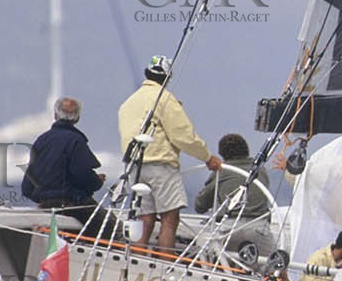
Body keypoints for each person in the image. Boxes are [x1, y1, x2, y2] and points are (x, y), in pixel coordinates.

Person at [117, 55, 222, 253]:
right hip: (160, 166)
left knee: (144, 217)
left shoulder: (129, 102)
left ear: (147, 74)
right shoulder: (165, 100)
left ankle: (139, 260)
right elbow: (183, 136)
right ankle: (165, 264)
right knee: (169, 218)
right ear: (167, 77)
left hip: (134, 167)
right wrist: (208, 157)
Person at [21, 97, 107, 230]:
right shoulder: (76, 141)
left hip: (45, 205)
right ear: (77, 118)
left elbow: (27, 187)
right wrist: (97, 181)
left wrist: (46, 200)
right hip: (72, 204)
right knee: (114, 229)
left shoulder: (41, 141)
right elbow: (82, 176)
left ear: (55, 115)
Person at [195, 133, 276, 263]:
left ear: (222, 154)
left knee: (216, 259)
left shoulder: (221, 171)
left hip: (229, 231)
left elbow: (200, 205)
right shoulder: (261, 170)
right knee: (273, 269)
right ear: (246, 149)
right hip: (260, 230)